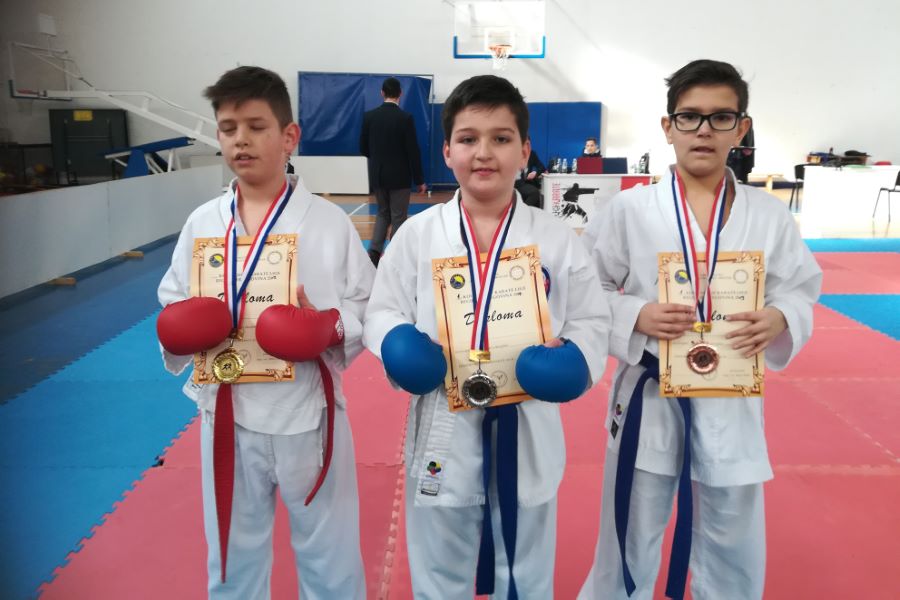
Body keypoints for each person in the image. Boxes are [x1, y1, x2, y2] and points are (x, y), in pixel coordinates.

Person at [578, 59, 822, 600]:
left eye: (721, 117)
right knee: (628, 531)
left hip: (733, 393)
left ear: (742, 127)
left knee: (733, 538)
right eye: (689, 117)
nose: (704, 130)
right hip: (650, 395)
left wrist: (780, 316)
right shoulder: (628, 210)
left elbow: (800, 286)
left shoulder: (769, 215)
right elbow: (585, 291)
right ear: (668, 127)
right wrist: (634, 314)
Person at [363, 74, 611, 600]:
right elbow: (382, 307)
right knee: (438, 570)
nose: (484, 153)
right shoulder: (417, 235)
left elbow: (592, 317)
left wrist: (576, 358)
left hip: (526, 422)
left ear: (524, 151)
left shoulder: (555, 238)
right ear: (447, 150)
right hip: (441, 428)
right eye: (468, 138)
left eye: (501, 138)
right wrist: (395, 342)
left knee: (525, 572)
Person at [156, 66, 373, 599]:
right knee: (232, 556)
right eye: (228, 128)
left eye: (256, 127)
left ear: (289, 136)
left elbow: (368, 303)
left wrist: (329, 326)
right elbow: (172, 299)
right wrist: (180, 328)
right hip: (226, 412)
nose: (241, 140)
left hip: (309, 411)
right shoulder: (203, 223)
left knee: (330, 553)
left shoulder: (328, 222)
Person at [359, 76, 427, 266]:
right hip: (400, 177)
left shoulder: (369, 116)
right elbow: (413, 151)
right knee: (398, 216)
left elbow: (363, 148)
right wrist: (419, 179)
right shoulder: (405, 118)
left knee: (382, 213)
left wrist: (378, 159)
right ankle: (394, 257)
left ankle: (374, 253)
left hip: (378, 175)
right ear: (400, 94)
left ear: (382, 93)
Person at [514, 143, 545, 208]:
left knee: (538, 192)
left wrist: (535, 173)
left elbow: (541, 167)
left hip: (526, 183)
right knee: (534, 192)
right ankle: (522, 210)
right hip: (515, 183)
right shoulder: (513, 154)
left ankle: (532, 212)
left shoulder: (532, 154)